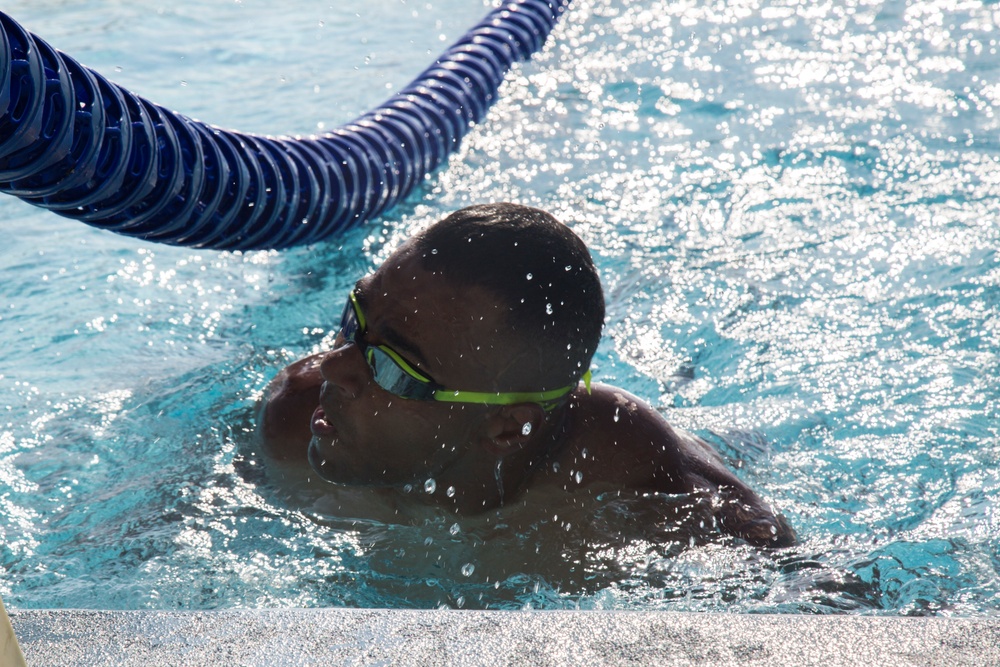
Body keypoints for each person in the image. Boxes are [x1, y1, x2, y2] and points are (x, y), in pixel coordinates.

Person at [257, 203, 795, 548]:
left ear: (507, 429)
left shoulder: (628, 469)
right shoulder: (295, 417)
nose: (334, 366)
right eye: (357, 318)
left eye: (395, 369)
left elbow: (811, 597)